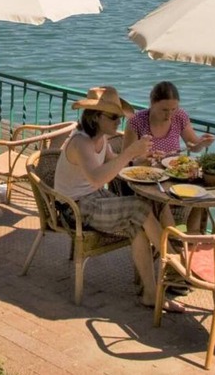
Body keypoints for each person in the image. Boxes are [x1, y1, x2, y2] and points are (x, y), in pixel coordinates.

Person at [55, 86, 172, 309]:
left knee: (136, 224)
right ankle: (176, 264)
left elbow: (116, 165)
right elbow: (98, 179)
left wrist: (140, 159)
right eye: (114, 117)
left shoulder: (101, 140)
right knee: (140, 207)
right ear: (96, 117)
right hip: (75, 208)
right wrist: (130, 152)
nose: (119, 122)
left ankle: (151, 293)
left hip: (93, 198)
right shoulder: (80, 143)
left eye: (120, 117)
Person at [123, 81, 215, 233]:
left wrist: (203, 142)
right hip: (147, 180)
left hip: (174, 176)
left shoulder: (180, 117)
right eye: (164, 110)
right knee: (162, 200)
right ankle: (173, 239)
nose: (169, 115)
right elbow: (126, 162)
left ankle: (192, 238)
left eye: (173, 109)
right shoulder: (136, 122)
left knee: (204, 194)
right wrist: (142, 159)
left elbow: (194, 146)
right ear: (152, 103)